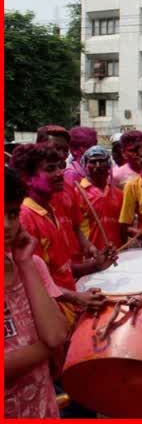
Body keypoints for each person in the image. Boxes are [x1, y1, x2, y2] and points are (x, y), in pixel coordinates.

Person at [11, 144, 115, 327]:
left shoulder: (51, 210)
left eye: (60, 166)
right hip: (47, 317)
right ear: (27, 178)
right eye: (50, 169)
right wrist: (77, 297)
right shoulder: (24, 218)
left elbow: (60, 270)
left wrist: (95, 266)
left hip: (65, 310)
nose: (60, 173)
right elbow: (31, 282)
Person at [4, 167, 69, 419]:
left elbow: (55, 335)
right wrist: (48, 349)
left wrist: (26, 264)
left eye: (12, 213)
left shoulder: (30, 265)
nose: (7, 226)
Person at [37, 126, 99, 265]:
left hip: (74, 264)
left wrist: (88, 246)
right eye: (55, 148)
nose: (60, 154)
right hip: (51, 269)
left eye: (64, 150)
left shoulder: (69, 186)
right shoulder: (29, 192)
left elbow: (75, 227)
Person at [79, 146, 124, 250]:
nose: (98, 166)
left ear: (109, 164)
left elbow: (123, 227)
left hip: (117, 253)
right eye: (93, 162)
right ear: (85, 165)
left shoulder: (119, 194)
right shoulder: (77, 193)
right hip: (90, 256)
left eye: (102, 161)